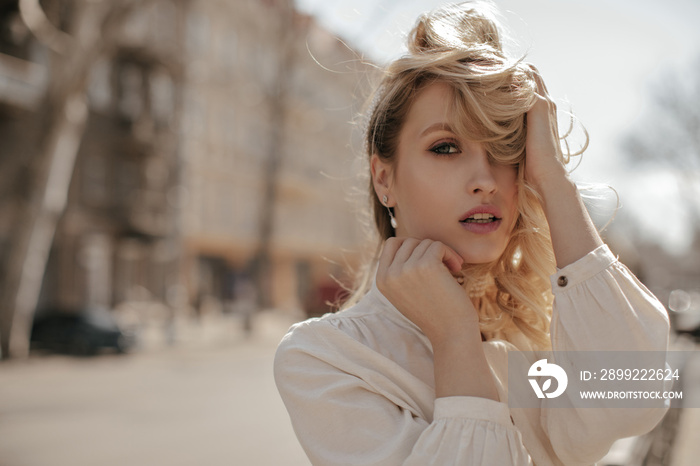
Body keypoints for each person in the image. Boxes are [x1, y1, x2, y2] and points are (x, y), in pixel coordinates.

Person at [274, 2, 670, 465]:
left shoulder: (537, 344)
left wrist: (553, 178)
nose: (485, 178)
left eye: (505, 150)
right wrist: (455, 339)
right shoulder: (328, 358)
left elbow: (635, 393)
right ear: (385, 179)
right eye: (446, 148)